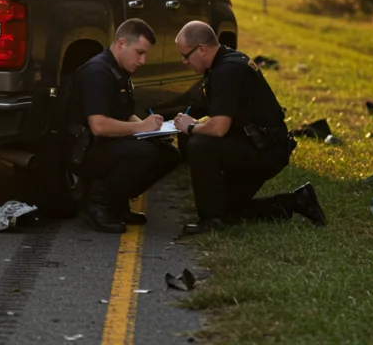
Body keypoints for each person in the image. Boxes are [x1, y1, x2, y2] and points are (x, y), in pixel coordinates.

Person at [171, 21, 326, 235]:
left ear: (202, 49)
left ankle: (210, 220)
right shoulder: (224, 61)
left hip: (265, 151)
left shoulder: (226, 71)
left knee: (199, 143)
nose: (184, 61)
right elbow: (202, 107)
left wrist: (190, 127)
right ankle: (297, 201)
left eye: (185, 56)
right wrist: (167, 124)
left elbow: (218, 128)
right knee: (228, 209)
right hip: (262, 145)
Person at [66, 18, 182, 233]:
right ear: (122, 44)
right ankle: (96, 203)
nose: (143, 61)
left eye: (145, 54)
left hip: (105, 144)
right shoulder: (97, 72)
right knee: (143, 152)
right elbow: (99, 126)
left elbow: (126, 115)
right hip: (84, 150)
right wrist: (142, 128)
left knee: (169, 154)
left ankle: (117, 202)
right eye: (139, 52)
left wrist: (155, 130)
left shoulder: (119, 71)